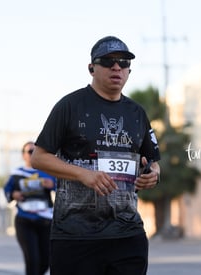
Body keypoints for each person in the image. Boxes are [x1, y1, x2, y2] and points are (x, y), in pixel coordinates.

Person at [31, 36, 161, 275]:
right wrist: (83, 174)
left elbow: (151, 161)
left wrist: (151, 174)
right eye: (108, 61)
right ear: (92, 68)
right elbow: (38, 157)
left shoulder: (136, 113)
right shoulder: (70, 106)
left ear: (129, 71)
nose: (116, 67)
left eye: (123, 62)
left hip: (127, 233)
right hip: (75, 236)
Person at [3, 141, 56, 275]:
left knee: (46, 260)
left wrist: (52, 185)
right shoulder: (16, 173)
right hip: (25, 220)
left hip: (45, 221)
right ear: (23, 155)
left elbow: (61, 187)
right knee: (32, 259)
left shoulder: (47, 172)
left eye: (35, 151)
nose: (33, 154)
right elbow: (7, 190)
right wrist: (14, 194)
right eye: (30, 152)